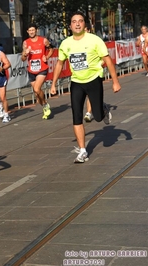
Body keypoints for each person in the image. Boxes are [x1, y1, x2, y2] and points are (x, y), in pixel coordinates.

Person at [50, 11, 121, 163]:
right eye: (74, 21)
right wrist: (53, 84)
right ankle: (82, 151)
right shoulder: (66, 43)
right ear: (70, 26)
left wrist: (115, 81)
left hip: (94, 80)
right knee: (77, 116)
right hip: (76, 82)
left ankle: (102, 109)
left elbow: (108, 60)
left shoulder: (95, 40)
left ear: (84, 24)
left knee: (98, 116)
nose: (77, 24)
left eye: (80, 21)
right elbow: (60, 64)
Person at [21, 23, 54, 119]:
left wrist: (46, 57)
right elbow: (22, 59)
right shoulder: (26, 43)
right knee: (37, 94)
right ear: (27, 32)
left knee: (36, 89)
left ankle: (45, 106)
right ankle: (45, 104)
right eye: (29, 30)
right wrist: (25, 54)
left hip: (42, 69)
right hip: (31, 70)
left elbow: (51, 49)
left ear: (36, 30)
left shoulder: (43, 40)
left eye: (33, 30)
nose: (31, 32)